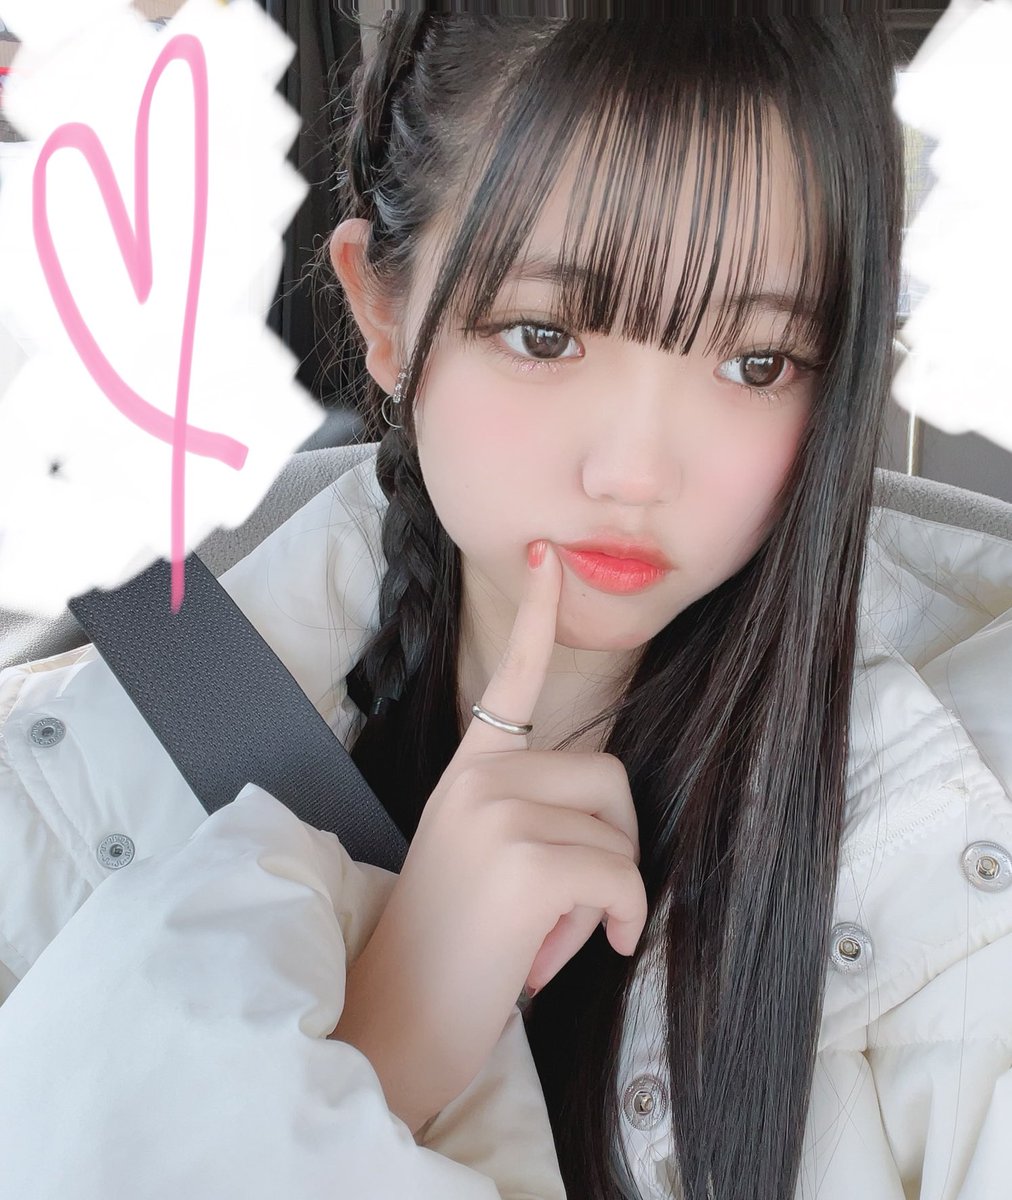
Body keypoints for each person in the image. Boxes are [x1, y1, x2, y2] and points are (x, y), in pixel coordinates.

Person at [1, 11, 1011, 1200]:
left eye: (756, 363)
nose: (634, 472)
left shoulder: (964, 828)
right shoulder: (75, 790)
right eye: (546, 336)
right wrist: (394, 1035)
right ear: (384, 312)